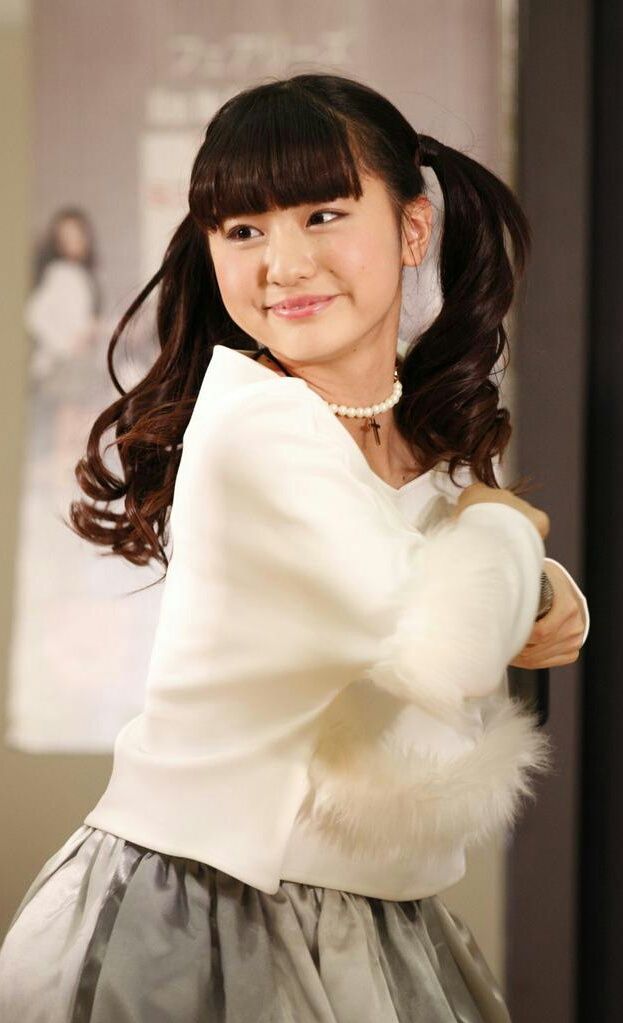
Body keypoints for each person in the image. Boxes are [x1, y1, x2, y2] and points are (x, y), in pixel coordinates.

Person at [0, 72, 589, 1022]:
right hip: (204, 918)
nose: (282, 263)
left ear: (412, 228)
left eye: (322, 215)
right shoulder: (256, 425)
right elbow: (446, 646)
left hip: (371, 914)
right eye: (243, 230)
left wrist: (534, 576)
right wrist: (503, 531)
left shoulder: (417, 439)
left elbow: (504, 611)